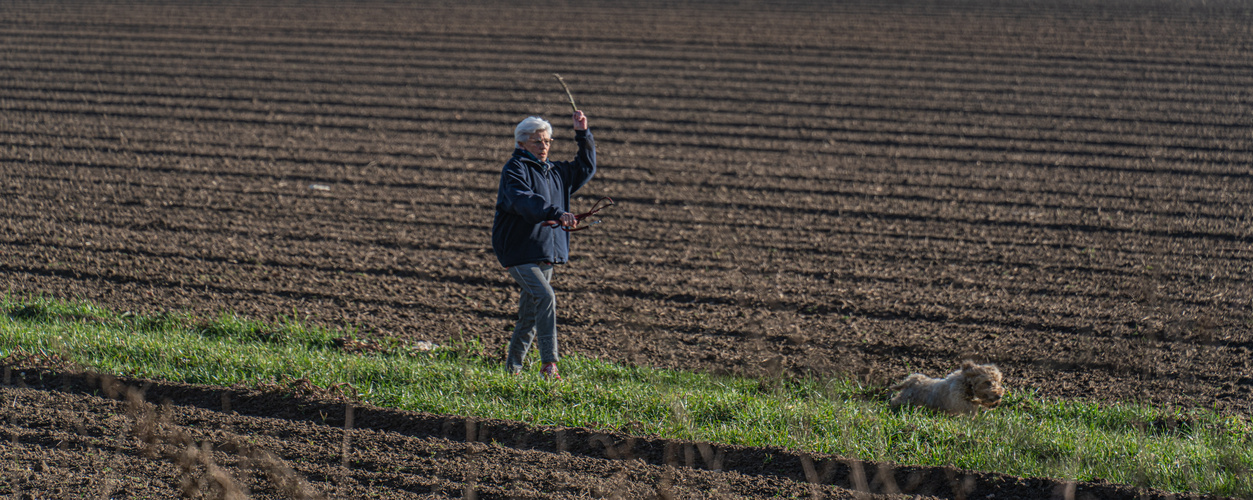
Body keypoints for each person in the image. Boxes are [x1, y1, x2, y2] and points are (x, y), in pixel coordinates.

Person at [491, 111, 595, 379]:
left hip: (546, 250)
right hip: (518, 251)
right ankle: (549, 364)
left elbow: (586, 168)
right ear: (521, 143)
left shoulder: (556, 171)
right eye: (538, 142)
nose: (544, 146)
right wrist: (555, 213)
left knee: (529, 316)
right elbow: (523, 200)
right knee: (546, 296)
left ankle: (511, 371)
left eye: (547, 141)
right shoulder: (515, 169)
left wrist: (583, 134)